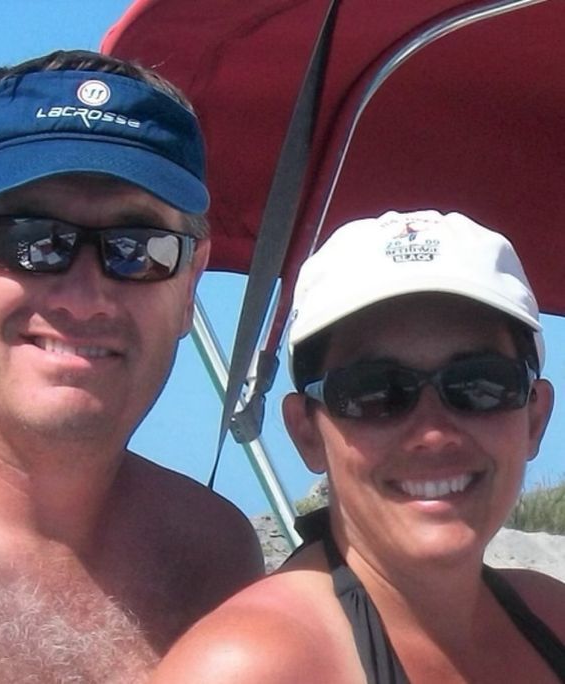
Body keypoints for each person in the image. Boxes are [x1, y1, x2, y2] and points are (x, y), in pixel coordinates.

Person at [0, 49, 263, 683]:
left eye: (138, 250)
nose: (84, 299)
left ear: (189, 284)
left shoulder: (214, 558)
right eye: (31, 242)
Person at [150, 209, 565, 683]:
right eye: (375, 392)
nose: (433, 432)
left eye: (480, 385)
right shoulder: (252, 669)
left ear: (535, 418)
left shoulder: (551, 615)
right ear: (306, 431)